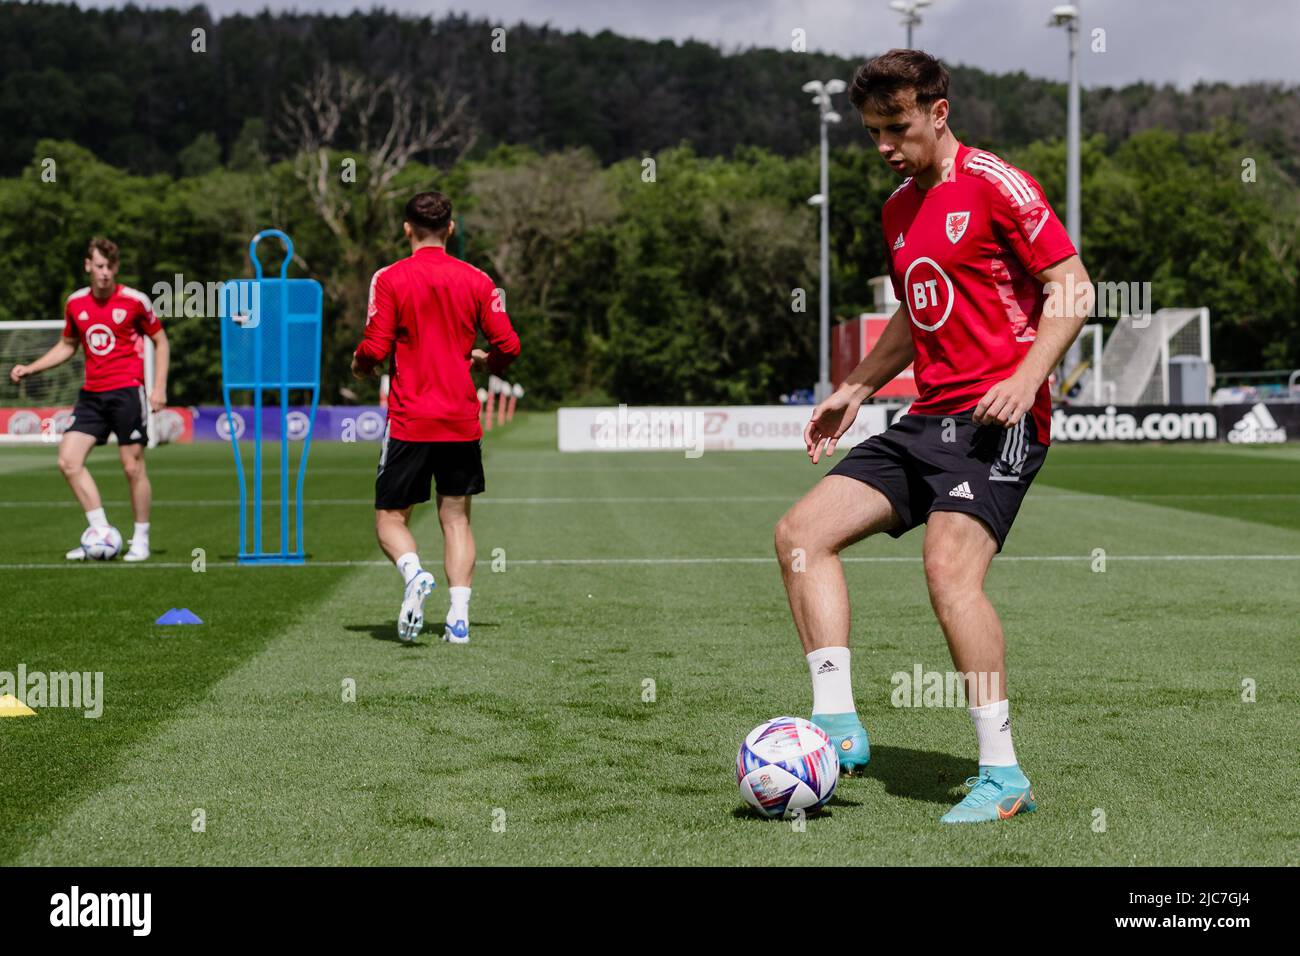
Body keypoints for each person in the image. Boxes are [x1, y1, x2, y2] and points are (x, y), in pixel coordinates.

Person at [774, 50, 1093, 823]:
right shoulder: (897, 210)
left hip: (999, 421)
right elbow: (920, 320)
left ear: (938, 112)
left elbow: (1073, 286)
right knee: (799, 535)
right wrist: (854, 388)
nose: (884, 144)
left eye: (897, 126)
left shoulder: (996, 183)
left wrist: (1025, 378)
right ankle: (838, 723)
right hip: (925, 419)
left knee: (949, 571)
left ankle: (1002, 773)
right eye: (872, 131)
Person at [353, 191, 520, 643]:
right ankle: (458, 619)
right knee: (457, 519)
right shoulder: (479, 280)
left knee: (390, 518)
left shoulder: (389, 278)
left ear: (406, 228)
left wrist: (361, 364)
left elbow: (374, 346)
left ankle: (413, 575)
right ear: (451, 227)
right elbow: (509, 345)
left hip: (411, 419)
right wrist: (487, 362)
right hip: (460, 419)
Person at [9, 237, 169, 562]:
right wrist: (32, 368)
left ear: (116, 268)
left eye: (110, 267)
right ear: (88, 266)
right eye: (99, 266)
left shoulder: (136, 301)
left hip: (127, 392)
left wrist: (159, 388)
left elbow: (160, 342)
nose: (105, 273)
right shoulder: (75, 304)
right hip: (92, 396)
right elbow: (68, 346)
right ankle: (100, 532)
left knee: (132, 466)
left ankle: (141, 539)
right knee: (68, 461)